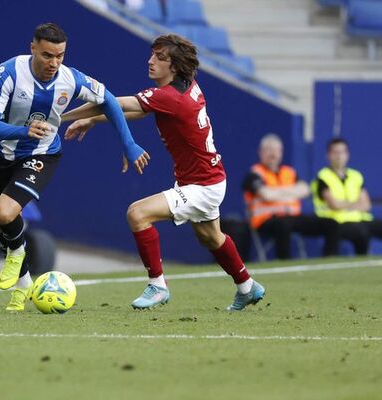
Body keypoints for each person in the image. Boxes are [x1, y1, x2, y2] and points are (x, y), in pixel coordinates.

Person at [62, 33, 264, 311]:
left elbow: (114, 103)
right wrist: (91, 120)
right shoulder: (185, 87)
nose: (151, 61)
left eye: (160, 57)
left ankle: (157, 286)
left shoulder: (170, 97)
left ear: (175, 66)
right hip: (210, 178)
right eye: (152, 54)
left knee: (137, 213)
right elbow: (141, 112)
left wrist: (62, 116)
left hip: (202, 186)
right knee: (209, 236)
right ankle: (247, 286)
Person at [0, 23, 149, 311]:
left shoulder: (70, 79)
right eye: (47, 55)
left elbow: (108, 99)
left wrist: (128, 144)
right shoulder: (8, 72)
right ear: (32, 47)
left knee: (6, 212)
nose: (54, 63)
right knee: (3, 222)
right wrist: (23, 131)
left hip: (42, 154)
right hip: (5, 155)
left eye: (60, 56)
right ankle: (22, 290)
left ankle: (17, 255)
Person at [243, 134, 339, 259]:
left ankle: (329, 260)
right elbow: (266, 195)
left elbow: (304, 190)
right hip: (266, 221)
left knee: (331, 223)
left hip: (293, 217)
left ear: (281, 152)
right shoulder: (254, 174)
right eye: (269, 150)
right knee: (283, 225)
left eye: (276, 150)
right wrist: (291, 192)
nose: (273, 154)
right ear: (260, 153)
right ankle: (285, 261)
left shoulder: (289, 172)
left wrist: (276, 193)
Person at [312, 138, 382, 255]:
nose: (339, 156)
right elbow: (334, 205)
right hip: (336, 221)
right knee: (360, 232)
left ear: (347, 154)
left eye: (342, 152)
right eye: (335, 152)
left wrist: (345, 204)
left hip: (359, 218)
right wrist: (354, 204)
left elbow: (366, 205)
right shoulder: (323, 177)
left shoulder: (356, 176)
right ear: (328, 155)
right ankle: (361, 260)